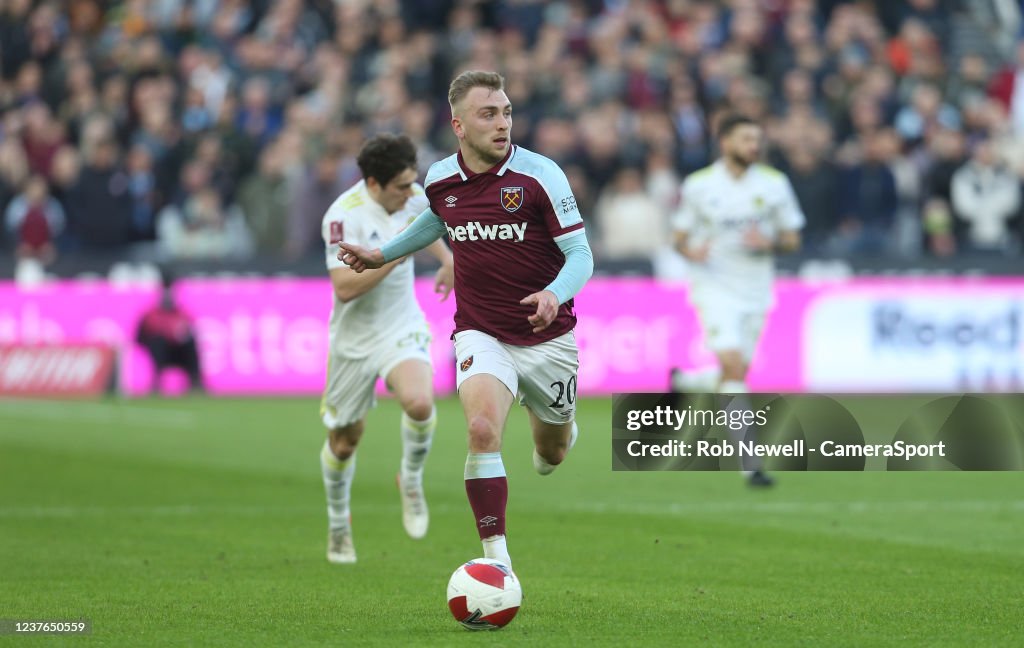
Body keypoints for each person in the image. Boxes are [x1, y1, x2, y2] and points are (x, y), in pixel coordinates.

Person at [337, 71, 594, 570]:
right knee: (480, 429)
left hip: (547, 337)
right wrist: (380, 255)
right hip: (482, 330)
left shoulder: (541, 176)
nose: (503, 124)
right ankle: (497, 563)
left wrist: (552, 294)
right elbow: (435, 221)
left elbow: (581, 255)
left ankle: (560, 429)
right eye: (488, 114)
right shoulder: (440, 180)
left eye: (507, 112)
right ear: (458, 125)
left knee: (552, 454)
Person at [319, 133, 455, 564]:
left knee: (418, 402)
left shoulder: (412, 197)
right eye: (401, 185)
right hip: (354, 339)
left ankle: (411, 478)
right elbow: (344, 289)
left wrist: (448, 259)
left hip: (401, 324)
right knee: (344, 442)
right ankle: (339, 524)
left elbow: (425, 225)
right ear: (374, 184)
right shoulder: (342, 217)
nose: (410, 191)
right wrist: (392, 257)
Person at [669, 113, 805, 487]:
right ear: (725, 142)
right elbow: (679, 236)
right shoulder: (699, 185)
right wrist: (690, 251)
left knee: (735, 374)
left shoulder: (775, 184)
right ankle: (751, 464)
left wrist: (772, 243)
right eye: (747, 138)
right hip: (713, 287)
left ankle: (687, 381)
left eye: (757, 139)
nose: (754, 146)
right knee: (732, 364)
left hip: (756, 290)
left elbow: (793, 237)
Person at [136, 273, 203, 395]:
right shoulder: (151, 315)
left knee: (190, 343)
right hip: (161, 353)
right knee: (158, 342)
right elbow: (139, 338)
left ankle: (195, 381)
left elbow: (192, 332)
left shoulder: (182, 315)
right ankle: (156, 382)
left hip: (180, 353)